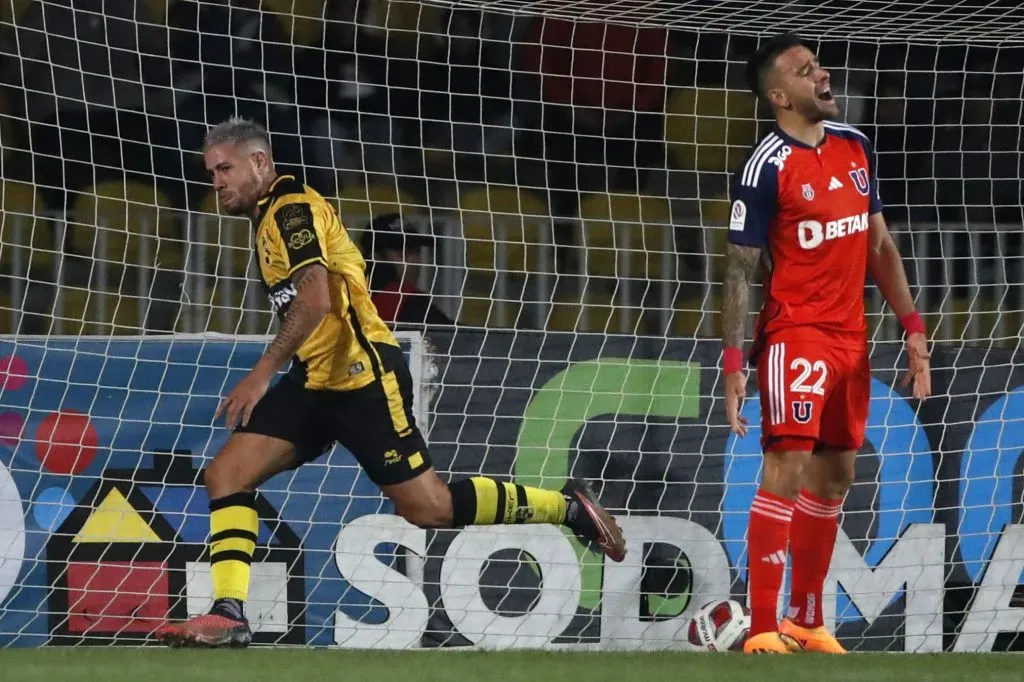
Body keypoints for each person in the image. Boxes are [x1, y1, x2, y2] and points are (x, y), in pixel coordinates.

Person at [155, 117, 625, 648]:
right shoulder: (266, 219)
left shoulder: (291, 210)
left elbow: (316, 297)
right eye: (211, 171)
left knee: (431, 509)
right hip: (316, 378)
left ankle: (567, 507)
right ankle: (229, 611)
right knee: (227, 474)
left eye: (225, 168)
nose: (217, 181)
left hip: (363, 375)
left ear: (260, 162)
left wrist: (261, 373)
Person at [720, 34, 932, 655]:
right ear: (780, 95)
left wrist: (912, 324)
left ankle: (808, 621)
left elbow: (881, 247)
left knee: (837, 476)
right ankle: (762, 627)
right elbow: (738, 270)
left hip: (851, 339)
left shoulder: (855, 147)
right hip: (796, 335)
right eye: (806, 70)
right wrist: (735, 363)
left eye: (820, 64)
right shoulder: (765, 165)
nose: (823, 74)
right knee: (786, 468)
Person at [361, 212, 453, 326]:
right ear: (375, 257)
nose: (414, 260)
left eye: (416, 251)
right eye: (403, 252)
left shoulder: (347, 293)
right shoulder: (404, 300)